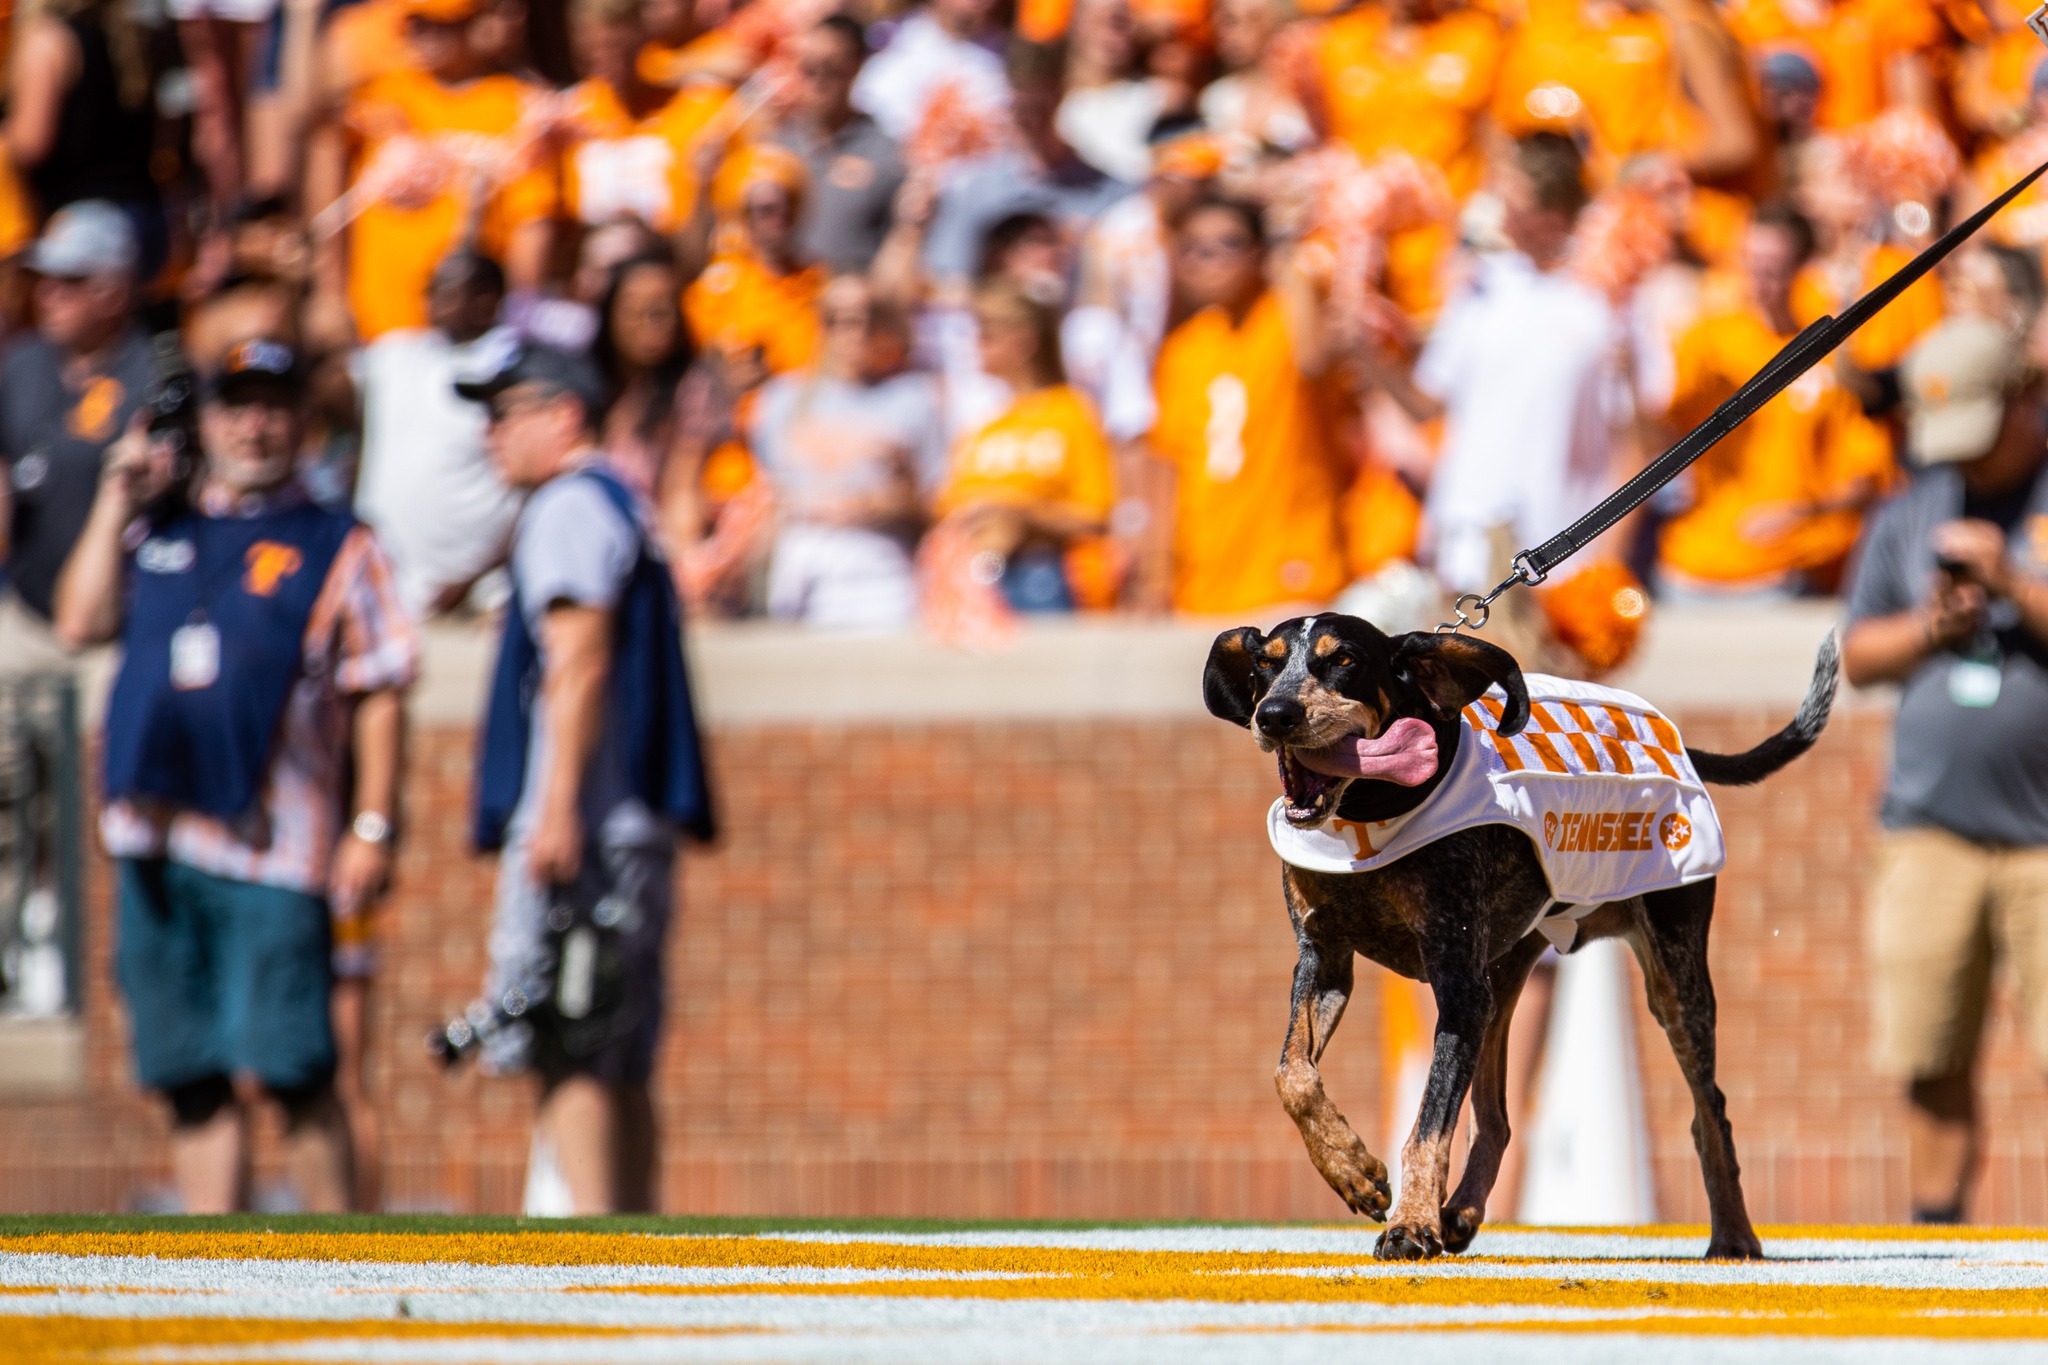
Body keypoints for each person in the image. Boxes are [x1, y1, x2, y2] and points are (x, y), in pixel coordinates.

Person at [52, 338, 417, 1214]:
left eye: (274, 405)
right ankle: (211, 1272)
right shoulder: (160, 523)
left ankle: (347, 1275)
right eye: (237, 404)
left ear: (303, 420)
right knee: (193, 1078)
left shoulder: (338, 539)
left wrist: (372, 824)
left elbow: (382, 687)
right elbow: (78, 621)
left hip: (275, 846)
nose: (255, 424)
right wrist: (115, 498)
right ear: (206, 418)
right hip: (156, 838)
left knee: (296, 1070)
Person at [456, 341, 714, 1215]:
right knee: (620, 1046)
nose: (490, 435)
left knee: (571, 1038)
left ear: (563, 414)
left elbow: (580, 659)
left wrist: (556, 807)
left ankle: (601, 1255)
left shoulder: (568, 505)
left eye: (506, 413)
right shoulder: (617, 499)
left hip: (589, 816)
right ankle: (638, 1243)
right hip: (630, 815)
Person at [1842, 315, 2048, 1225]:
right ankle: (1937, 1234)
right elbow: (1854, 653)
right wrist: (1934, 625)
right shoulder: (1911, 508)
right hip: (1931, 827)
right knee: (1928, 1049)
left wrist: (2015, 587)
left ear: (2021, 400)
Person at [1656, 201, 1895, 596]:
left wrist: (1803, 513)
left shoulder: (1828, 354)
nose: (1758, 276)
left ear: (1801, 268)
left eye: (1774, 264)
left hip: (1786, 571)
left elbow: (1867, 475)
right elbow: (1656, 427)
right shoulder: (1705, 341)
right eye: (1750, 260)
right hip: (1694, 566)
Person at [309, 0, 558, 343]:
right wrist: (329, 293)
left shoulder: (517, 104)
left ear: (474, 25)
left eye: (437, 25)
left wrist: (520, 313)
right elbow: (326, 158)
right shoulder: (385, 95)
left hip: (477, 330)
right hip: (382, 326)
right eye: (415, 25)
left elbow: (533, 218)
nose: (422, 36)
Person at [1146, 196, 1349, 616]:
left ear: (1258, 252)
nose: (1211, 259)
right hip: (1205, 582)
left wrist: (1285, 247)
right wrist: (1155, 574)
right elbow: (1169, 465)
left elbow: (1313, 362)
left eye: (1230, 244)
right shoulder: (1182, 349)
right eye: (1195, 248)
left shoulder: (1284, 318)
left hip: (1291, 572)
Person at [0, 204, 160, 672]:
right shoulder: (22, 364)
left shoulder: (154, 377)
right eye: (43, 279)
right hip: (24, 611)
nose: (47, 294)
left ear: (112, 290)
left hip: (115, 631)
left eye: (68, 282)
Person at [749, 273, 945, 628]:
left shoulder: (913, 398)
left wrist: (891, 501)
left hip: (877, 563)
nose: (851, 332)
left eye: (862, 318)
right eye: (835, 320)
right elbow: (766, 495)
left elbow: (937, 503)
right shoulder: (782, 399)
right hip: (798, 557)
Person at [353, 249, 524, 619]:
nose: (433, 301)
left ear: (487, 298)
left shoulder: (519, 366)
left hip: (484, 601)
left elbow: (535, 487)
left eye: (447, 290)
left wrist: (472, 576)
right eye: (430, 290)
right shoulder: (396, 354)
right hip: (391, 597)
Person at [934, 281, 1118, 611]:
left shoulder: (1072, 412)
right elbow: (948, 505)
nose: (975, 344)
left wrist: (1021, 512)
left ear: (1024, 341)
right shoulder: (984, 425)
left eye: (986, 334)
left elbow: (1095, 516)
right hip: (974, 579)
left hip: (1044, 577)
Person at [5, 0, 163, 278]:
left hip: (82, 231)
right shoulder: (130, 38)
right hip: (145, 220)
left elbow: (31, 145)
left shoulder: (48, 40)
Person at [558, 0, 730, 235]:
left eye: (619, 49)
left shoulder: (695, 103)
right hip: (594, 248)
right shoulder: (571, 113)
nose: (610, 63)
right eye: (594, 53)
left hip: (668, 247)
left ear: (643, 40)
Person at [771, 15, 906, 274]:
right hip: (785, 302)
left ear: (855, 67)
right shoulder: (778, 147)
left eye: (832, 68)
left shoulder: (886, 154)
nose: (818, 80)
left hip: (850, 303)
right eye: (809, 68)